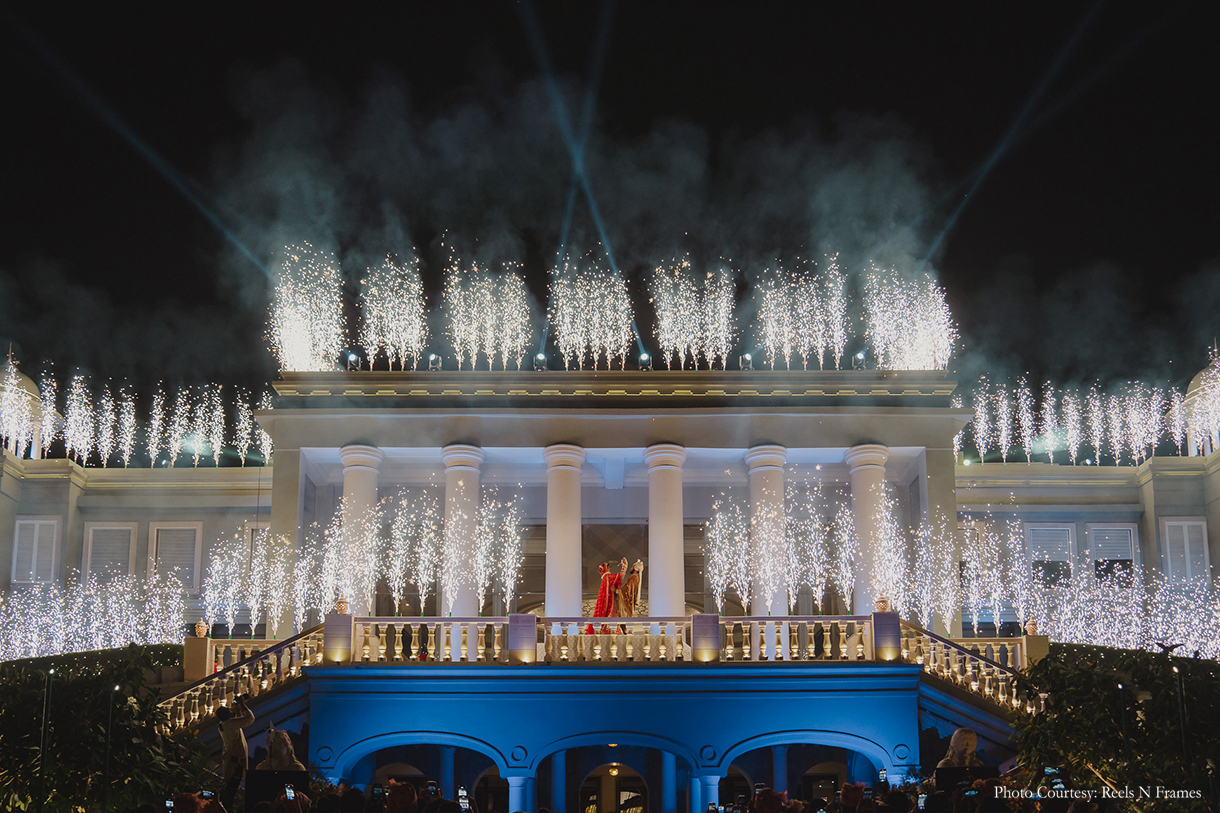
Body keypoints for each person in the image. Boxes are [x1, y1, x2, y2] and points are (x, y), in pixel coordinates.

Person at [215, 695, 255, 808]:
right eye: (228, 710)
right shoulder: (230, 724)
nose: (230, 709)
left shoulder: (225, 724)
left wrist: (238, 709)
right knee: (231, 790)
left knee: (230, 788)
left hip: (232, 761)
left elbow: (239, 721)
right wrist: (243, 705)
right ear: (227, 715)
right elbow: (249, 719)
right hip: (235, 764)